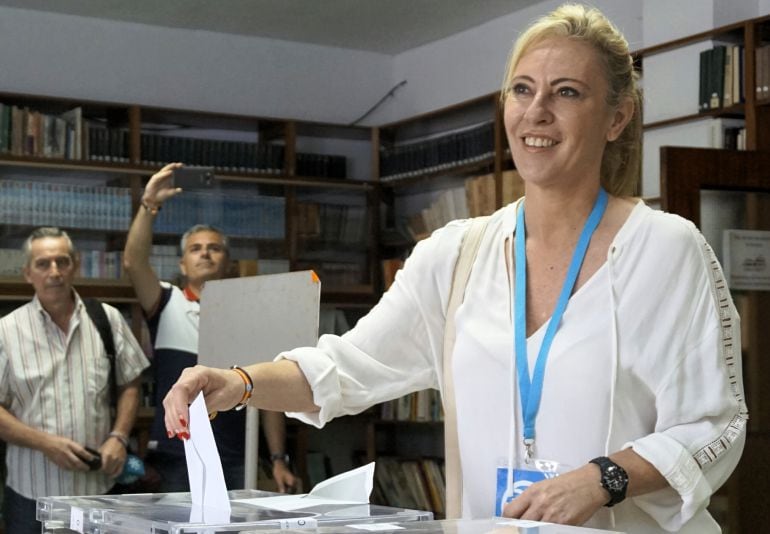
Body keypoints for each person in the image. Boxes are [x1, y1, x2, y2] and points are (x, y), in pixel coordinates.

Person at [161, 4, 747, 532]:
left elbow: (713, 427)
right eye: (522, 90)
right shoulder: (457, 253)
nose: (536, 112)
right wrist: (237, 383)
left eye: (566, 92)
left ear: (617, 117)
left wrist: (601, 479)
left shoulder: (667, 249)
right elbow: (351, 365)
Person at [123, 163, 296, 493]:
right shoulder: (167, 301)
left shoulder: (248, 315)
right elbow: (133, 262)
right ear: (182, 264)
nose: (205, 253)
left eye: (214, 248)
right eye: (195, 248)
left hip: (234, 455)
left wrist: (277, 458)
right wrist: (149, 205)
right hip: (176, 452)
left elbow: (268, 389)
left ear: (227, 262)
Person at [0, 227, 149, 534]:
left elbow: (130, 384)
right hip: (32, 496)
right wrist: (45, 443)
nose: (54, 272)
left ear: (75, 265)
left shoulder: (107, 319)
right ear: (28, 273)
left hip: (98, 491)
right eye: (43, 264)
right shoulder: (6, 332)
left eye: (62, 261)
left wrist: (119, 437)